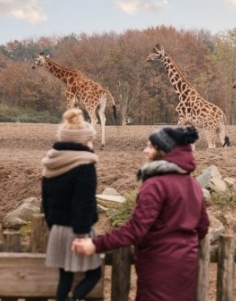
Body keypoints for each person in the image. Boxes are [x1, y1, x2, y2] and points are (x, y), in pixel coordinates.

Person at [72, 125, 210, 300]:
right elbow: (203, 227)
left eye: (150, 146)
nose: (145, 151)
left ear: (163, 151)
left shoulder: (155, 185)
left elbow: (136, 229)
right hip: (186, 266)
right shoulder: (193, 184)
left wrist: (95, 245)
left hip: (159, 267)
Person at [41, 108, 102, 301]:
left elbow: (46, 199)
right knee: (94, 274)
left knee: (65, 277)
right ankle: (76, 299)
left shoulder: (51, 162)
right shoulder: (85, 166)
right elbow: (83, 203)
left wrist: (53, 226)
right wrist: (82, 235)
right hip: (78, 232)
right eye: (90, 140)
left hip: (58, 230)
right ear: (82, 141)